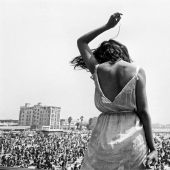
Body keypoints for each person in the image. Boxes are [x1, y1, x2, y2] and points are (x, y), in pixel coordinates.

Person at [71, 12, 158, 170]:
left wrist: (107, 26)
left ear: (103, 54)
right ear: (123, 53)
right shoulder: (137, 71)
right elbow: (143, 112)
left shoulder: (97, 70)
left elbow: (81, 41)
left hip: (103, 142)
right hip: (133, 140)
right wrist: (153, 148)